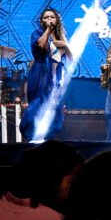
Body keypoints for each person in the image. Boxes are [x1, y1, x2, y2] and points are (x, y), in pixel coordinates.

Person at [19, 8, 72, 141]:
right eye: (46, 17)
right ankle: (30, 134)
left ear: (57, 20)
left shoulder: (59, 37)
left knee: (54, 108)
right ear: (41, 21)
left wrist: (66, 45)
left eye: (52, 17)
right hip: (41, 73)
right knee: (38, 104)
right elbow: (42, 45)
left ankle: (48, 138)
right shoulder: (37, 33)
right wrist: (48, 30)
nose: (49, 19)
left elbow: (70, 58)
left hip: (56, 75)